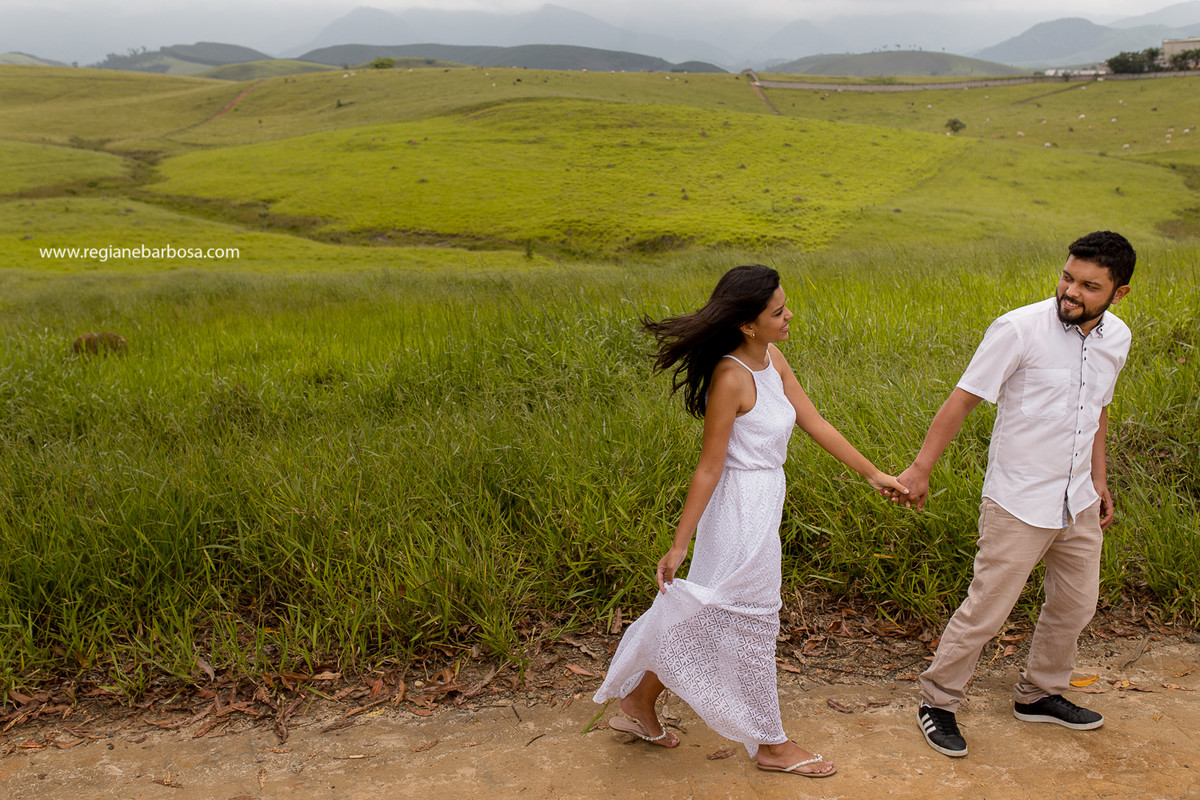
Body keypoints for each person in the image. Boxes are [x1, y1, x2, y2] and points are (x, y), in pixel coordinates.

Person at [593, 264, 907, 778]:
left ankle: (639, 701)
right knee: (750, 620)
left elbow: (813, 419)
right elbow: (709, 466)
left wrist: (873, 474)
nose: (789, 315)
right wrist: (679, 545)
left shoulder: (772, 358)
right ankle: (770, 744)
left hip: (765, 500)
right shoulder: (730, 377)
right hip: (738, 510)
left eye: (785, 306)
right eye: (777, 311)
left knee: (713, 610)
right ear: (747, 324)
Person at [890, 231, 1135, 758]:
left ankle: (1040, 694)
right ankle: (937, 701)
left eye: (1089, 286)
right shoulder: (1019, 328)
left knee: (1075, 605)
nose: (1070, 291)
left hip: (1078, 500)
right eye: (1068, 277)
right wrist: (920, 468)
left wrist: (1100, 479)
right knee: (988, 610)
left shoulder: (1118, 338)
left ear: (1119, 293)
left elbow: (1096, 411)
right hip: (1018, 499)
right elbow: (962, 401)